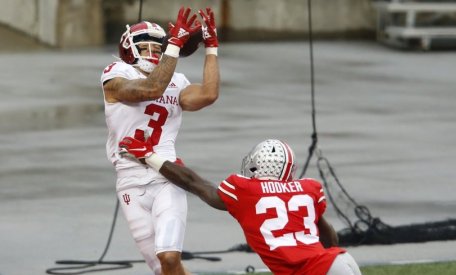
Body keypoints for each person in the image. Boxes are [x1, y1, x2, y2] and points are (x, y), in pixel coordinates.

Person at [119, 137, 362, 275]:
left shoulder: (245, 190)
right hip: (340, 261)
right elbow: (330, 240)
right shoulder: (309, 188)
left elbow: (194, 183)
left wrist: (149, 156)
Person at [100, 6, 220, 275]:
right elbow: (150, 89)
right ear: (129, 50)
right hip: (129, 179)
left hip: (165, 173)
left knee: (168, 257)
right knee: (163, 267)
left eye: (159, 47)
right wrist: (174, 45)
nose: (154, 53)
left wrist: (211, 48)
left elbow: (208, 95)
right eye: (146, 48)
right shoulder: (116, 74)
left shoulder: (177, 81)